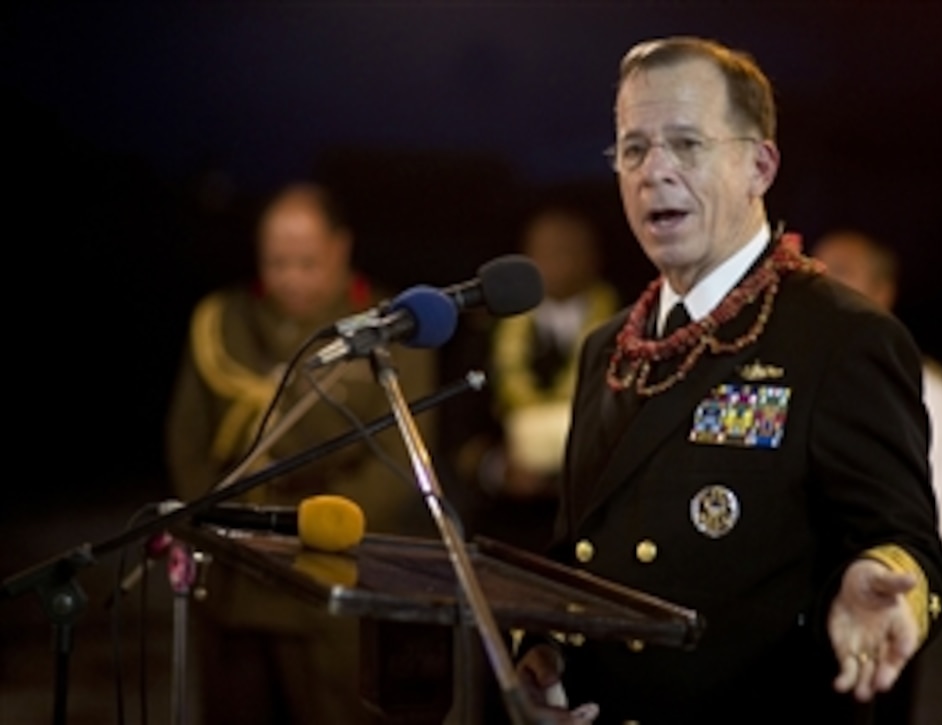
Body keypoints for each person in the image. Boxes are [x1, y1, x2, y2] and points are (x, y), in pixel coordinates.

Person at [513, 36, 942, 724]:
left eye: (686, 144)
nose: (654, 171)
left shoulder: (842, 337)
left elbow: (908, 541)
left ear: (760, 165)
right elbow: (578, 552)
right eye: (633, 148)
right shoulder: (610, 347)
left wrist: (880, 584)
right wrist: (543, 654)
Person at [165, 181, 441, 724]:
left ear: (341, 247)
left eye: (308, 262)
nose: (291, 277)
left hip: (327, 578)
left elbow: (400, 461)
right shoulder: (222, 323)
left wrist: (308, 530)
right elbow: (187, 441)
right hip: (233, 579)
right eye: (278, 261)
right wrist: (217, 519)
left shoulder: (388, 330)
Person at [811, 228, 942, 725]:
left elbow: (935, 519)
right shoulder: (790, 375)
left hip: (878, 607)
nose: (821, 281)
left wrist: (896, 594)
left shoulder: (926, 387)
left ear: (883, 291)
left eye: (841, 271)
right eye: (813, 269)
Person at [460, 202, 621, 554]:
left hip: (593, 525)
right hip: (504, 523)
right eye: (543, 252)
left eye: (567, 251)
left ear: (593, 258)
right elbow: (460, 429)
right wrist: (497, 469)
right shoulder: (489, 331)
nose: (554, 262)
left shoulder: (626, 333)